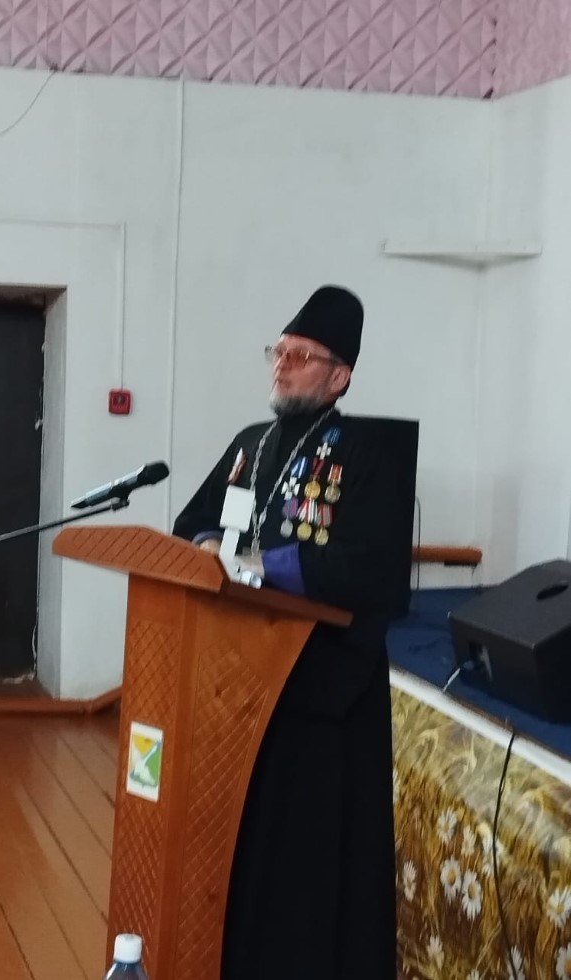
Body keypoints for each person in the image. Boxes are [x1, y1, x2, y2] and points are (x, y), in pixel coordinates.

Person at [172, 285, 416, 980]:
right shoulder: (249, 445)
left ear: (339, 377)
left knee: (309, 865)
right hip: (238, 683)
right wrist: (209, 546)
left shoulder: (368, 454)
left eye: (301, 356)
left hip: (322, 691)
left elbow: (370, 570)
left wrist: (262, 565)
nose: (281, 365)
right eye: (278, 352)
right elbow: (192, 524)